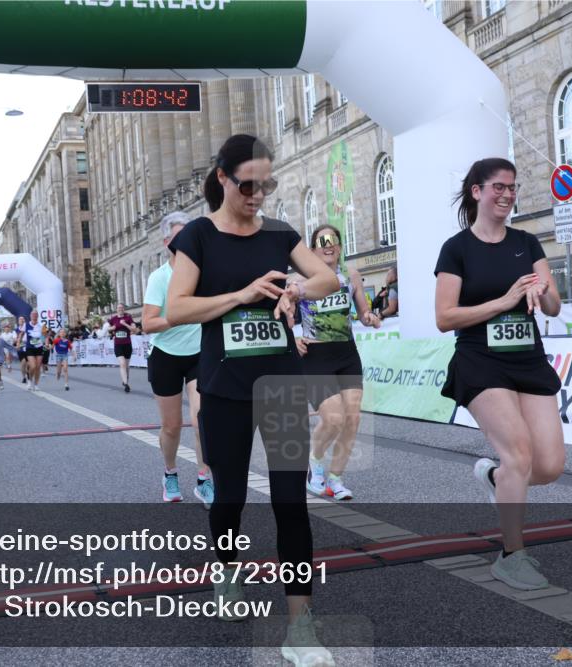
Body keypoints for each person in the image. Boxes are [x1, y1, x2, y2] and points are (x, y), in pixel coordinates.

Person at [166, 133, 338, 664]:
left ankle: (300, 626)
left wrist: (296, 290)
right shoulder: (197, 237)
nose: (258, 194)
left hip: (282, 383)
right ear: (222, 179)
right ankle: (226, 568)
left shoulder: (281, 234)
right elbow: (176, 309)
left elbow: (327, 277)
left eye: (266, 183)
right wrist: (241, 295)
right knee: (231, 497)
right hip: (225, 391)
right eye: (248, 184)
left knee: (291, 503)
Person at [435, 157, 564, 591]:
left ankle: (494, 478)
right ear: (477, 192)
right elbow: (444, 317)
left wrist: (543, 293)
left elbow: (553, 306)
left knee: (547, 466)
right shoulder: (457, 248)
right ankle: (511, 555)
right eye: (499, 187)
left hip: (527, 357)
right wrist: (505, 300)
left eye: (513, 187)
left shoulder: (527, 243)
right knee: (519, 453)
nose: (507, 195)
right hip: (480, 360)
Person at [295, 224, 381, 501]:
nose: (328, 245)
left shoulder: (351, 276)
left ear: (340, 247)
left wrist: (369, 317)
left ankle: (336, 480)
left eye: (333, 241)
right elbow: (282, 313)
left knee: (352, 419)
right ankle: (315, 463)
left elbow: (363, 311)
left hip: (346, 354)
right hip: (316, 357)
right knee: (333, 419)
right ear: (312, 250)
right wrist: (290, 339)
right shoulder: (300, 279)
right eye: (322, 242)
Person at [142, 212, 214, 507]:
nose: (186, 242)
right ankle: (170, 473)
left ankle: (204, 478)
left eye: (190, 236)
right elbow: (148, 323)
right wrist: (179, 316)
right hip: (166, 356)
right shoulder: (160, 277)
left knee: (202, 421)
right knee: (172, 426)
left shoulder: (204, 272)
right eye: (179, 236)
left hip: (199, 353)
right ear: (166, 241)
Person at [108, 303, 139, 392]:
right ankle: (126, 384)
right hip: (118, 344)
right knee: (122, 364)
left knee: (127, 366)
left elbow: (134, 329)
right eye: (118, 308)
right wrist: (112, 328)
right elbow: (108, 329)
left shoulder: (128, 317)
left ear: (124, 309)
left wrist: (125, 324)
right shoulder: (113, 319)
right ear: (116, 309)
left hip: (127, 344)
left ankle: (126, 380)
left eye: (122, 308)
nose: (120, 309)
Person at [19, 310, 46, 392]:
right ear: (30, 316)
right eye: (32, 314)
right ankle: (30, 380)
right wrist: (18, 342)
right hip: (29, 347)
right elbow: (21, 334)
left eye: (35, 314)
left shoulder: (42, 325)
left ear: (37, 316)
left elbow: (44, 336)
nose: (34, 316)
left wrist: (45, 343)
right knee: (33, 366)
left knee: (38, 367)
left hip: (39, 347)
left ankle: (36, 384)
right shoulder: (26, 325)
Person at [15, 315, 29, 384]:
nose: (22, 320)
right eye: (20, 320)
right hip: (20, 348)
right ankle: (24, 377)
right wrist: (17, 342)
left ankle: (28, 375)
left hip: (27, 347)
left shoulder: (27, 328)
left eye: (23, 319)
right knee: (23, 363)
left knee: (27, 363)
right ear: (18, 322)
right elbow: (16, 339)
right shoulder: (17, 329)